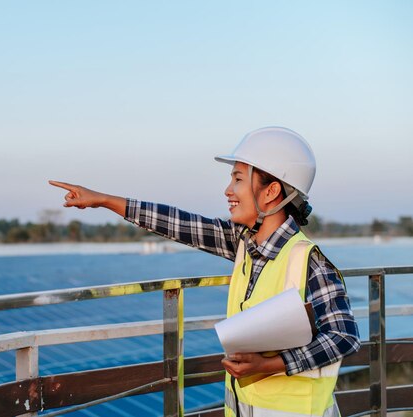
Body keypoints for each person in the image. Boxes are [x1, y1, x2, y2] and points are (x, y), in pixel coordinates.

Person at [49, 126, 360, 417]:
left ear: (270, 192)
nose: (228, 190)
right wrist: (103, 200)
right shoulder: (242, 243)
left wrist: (270, 365)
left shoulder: (309, 261)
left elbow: (344, 336)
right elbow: (179, 224)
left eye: (238, 179)